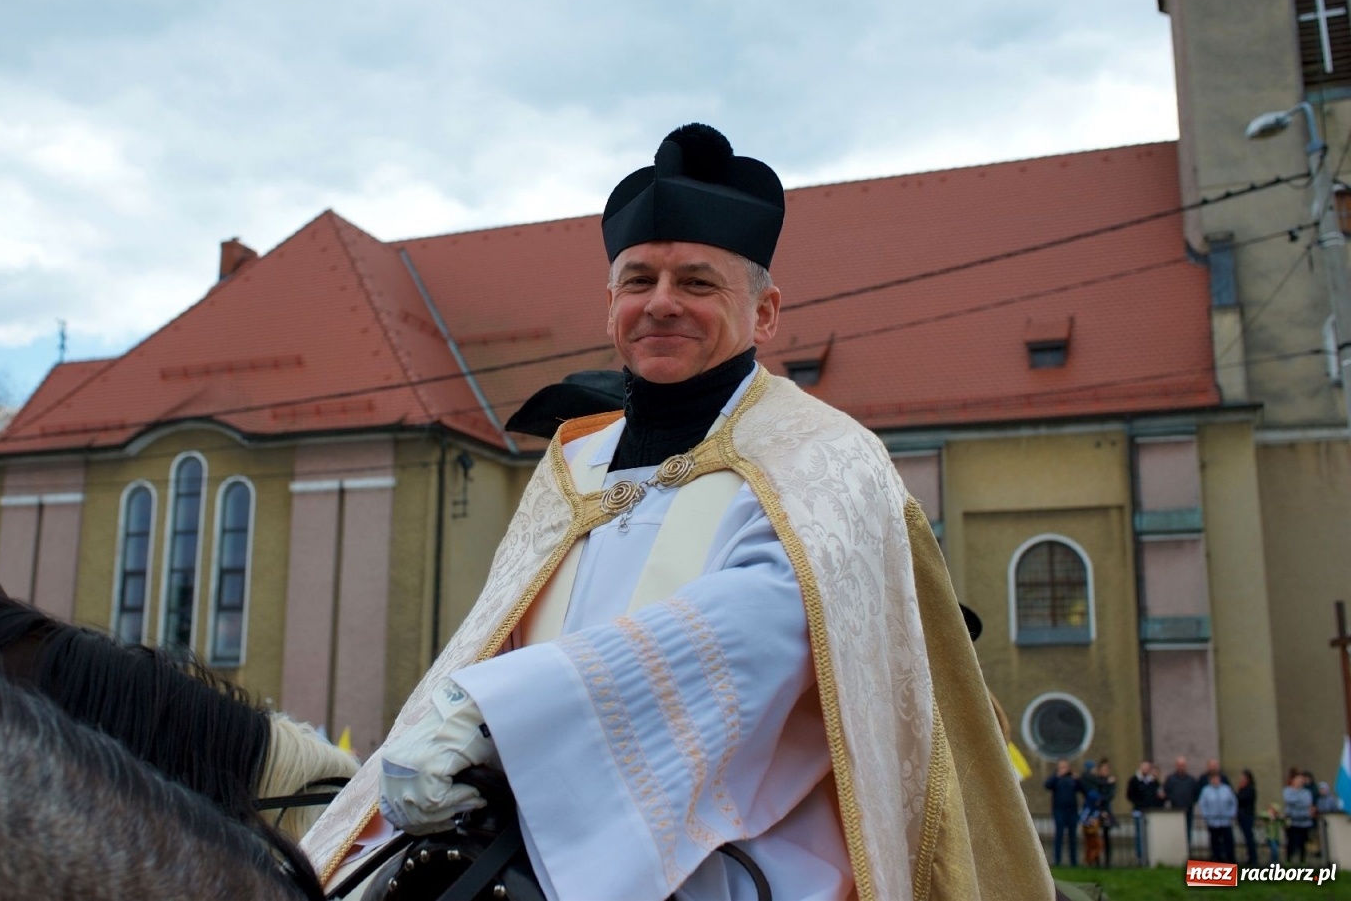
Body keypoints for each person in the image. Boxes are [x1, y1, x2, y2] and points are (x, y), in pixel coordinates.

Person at [301, 124, 1055, 899]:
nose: (662, 303)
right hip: (520, 832)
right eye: (640, 281)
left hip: (747, 858)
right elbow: (500, 632)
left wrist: (495, 720)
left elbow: (767, 626)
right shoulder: (572, 463)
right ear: (610, 306)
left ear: (764, 313)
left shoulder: (828, 458)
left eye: (697, 283)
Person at [1046, 759, 1083, 866]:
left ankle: (1073, 861)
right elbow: (1047, 785)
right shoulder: (1056, 778)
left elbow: (1082, 789)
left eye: (1065, 767)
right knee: (1059, 835)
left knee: (1072, 837)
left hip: (1072, 811)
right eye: (1061, 767)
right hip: (1059, 810)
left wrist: (1078, 779)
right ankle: (1057, 860)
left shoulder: (1072, 778)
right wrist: (1057, 776)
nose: (1063, 769)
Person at [1082, 757, 1118, 867]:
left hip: (1106, 810)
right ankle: (1096, 861)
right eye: (1103, 769)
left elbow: (1110, 795)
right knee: (1095, 837)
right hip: (1096, 812)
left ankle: (1107, 862)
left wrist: (1101, 800)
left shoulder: (1110, 782)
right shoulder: (1096, 781)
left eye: (1106, 769)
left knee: (1106, 837)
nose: (1105, 771)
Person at [1127, 760, 1164, 863]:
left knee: (1150, 835)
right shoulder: (1134, 780)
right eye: (1144, 767)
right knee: (1140, 834)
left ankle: (1150, 856)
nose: (1146, 769)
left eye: (1148, 767)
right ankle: (1140, 857)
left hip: (1150, 812)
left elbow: (1158, 795)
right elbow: (1130, 795)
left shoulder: (1153, 782)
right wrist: (1139, 803)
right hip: (1139, 811)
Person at [1198, 769, 1237, 863]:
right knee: (1215, 842)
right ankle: (1217, 859)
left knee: (1228, 841)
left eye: (1217, 778)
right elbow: (1202, 804)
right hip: (1213, 821)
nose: (1215, 780)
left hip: (1225, 821)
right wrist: (1206, 815)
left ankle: (1230, 859)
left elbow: (1233, 802)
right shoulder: (1206, 791)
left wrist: (1232, 814)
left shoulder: (1226, 789)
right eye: (1213, 779)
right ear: (1210, 780)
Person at [1164, 757, 1201, 841]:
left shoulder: (1191, 780)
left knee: (1187, 831)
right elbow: (1166, 792)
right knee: (1176, 831)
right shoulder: (1170, 779)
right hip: (1175, 810)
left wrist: (1191, 801)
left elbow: (1196, 793)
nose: (1181, 767)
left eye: (1183, 765)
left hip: (1188, 809)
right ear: (1176, 766)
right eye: (1179, 765)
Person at [1283, 772, 1315, 863]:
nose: (1300, 782)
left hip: (1304, 821)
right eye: (1298, 780)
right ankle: (1289, 860)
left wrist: (1296, 803)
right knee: (1291, 842)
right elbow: (1289, 800)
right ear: (1293, 781)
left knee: (1303, 843)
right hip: (1292, 821)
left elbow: (1307, 802)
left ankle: (1302, 861)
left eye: (1301, 780)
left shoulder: (1307, 792)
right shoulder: (1287, 791)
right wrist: (1299, 802)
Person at [1235, 769, 1258, 866]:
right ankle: (1250, 856)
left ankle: (1253, 858)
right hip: (1241, 815)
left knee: (1249, 837)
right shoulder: (1242, 789)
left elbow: (1241, 799)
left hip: (1247, 815)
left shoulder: (1250, 790)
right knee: (1246, 837)